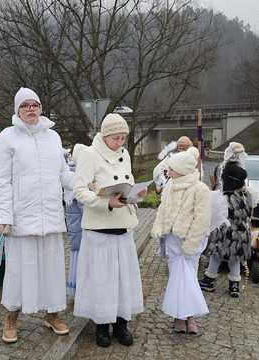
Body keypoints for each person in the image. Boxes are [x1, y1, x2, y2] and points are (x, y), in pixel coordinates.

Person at [0, 87, 73, 343]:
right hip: (21, 218)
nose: (30, 108)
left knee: (52, 270)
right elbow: (1, 180)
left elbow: (63, 174)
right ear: (17, 109)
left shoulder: (53, 137)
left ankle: (52, 315)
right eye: (25, 105)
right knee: (18, 271)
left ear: (40, 107)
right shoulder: (7, 137)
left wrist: (86, 182)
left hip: (50, 216)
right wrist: (2, 216)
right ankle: (11, 319)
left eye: (34, 104)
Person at [73, 113, 146, 348]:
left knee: (124, 279)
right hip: (99, 229)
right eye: (116, 138)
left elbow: (126, 183)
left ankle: (122, 324)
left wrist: (134, 196)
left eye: (123, 137)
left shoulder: (124, 154)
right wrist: (105, 203)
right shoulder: (89, 155)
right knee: (102, 280)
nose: (120, 142)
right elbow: (80, 190)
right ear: (105, 136)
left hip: (123, 228)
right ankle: (102, 326)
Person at [151, 149, 210, 334]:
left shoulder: (200, 189)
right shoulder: (170, 185)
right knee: (177, 278)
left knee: (189, 278)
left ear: (182, 170)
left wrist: (191, 243)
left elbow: (202, 218)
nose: (168, 171)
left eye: (172, 168)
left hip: (190, 242)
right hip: (173, 241)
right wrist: (159, 228)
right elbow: (163, 209)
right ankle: (178, 316)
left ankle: (190, 317)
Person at [199, 163, 252, 297]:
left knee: (216, 256)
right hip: (241, 233)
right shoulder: (247, 195)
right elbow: (250, 212)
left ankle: (209, 281)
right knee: (235, 258)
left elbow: (216, 214)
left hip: (225, 234)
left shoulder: (223, 197)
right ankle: (234, 285)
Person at [65, 143, 88, 299]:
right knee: (81, 263)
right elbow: (85, 208)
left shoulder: (70, 175)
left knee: (74, 261)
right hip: (81, 233)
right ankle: (81, 291)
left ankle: (74, 289)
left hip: (74, 233)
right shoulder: (78, 178)